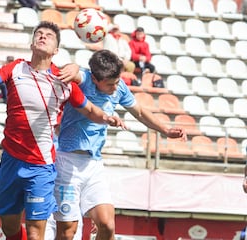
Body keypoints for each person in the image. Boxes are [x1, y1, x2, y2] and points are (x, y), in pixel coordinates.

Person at [0, 21, 126, 240]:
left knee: (36, 233)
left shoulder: (63, 81)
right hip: (11, 160)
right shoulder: (15, 68)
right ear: (32, 44)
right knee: (10, 227)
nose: (42, 37)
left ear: (56, 50)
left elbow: (89, 109)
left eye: (49, 36)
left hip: (41, 165)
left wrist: (107, 117)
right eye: (38, 34)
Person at [54, 49, 187, 240]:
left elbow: (139, 112)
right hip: (68, 163)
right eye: (110, 84)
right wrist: (73, 66)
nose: (116, 88)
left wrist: (165, 130)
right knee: (68, 232)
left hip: (94, 165)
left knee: (107, 225)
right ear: (95, 79)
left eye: (117, 82)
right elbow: (71, 71)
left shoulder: (119, 87)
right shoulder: (83, 79)